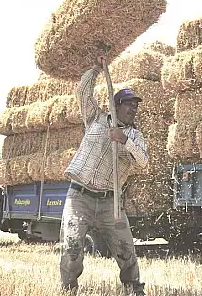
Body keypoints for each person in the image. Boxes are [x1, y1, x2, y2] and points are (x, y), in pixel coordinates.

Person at [59, 55, 149, 296]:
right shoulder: (96, 119)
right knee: (72, 247)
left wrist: (125, 141)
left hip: (111, 202)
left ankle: (133, 289)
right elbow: (82, 92)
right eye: (129, 104)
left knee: (126, 250)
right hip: (79, 197)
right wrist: (96, 69)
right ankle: (68, 289)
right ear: (116, 104)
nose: (133, 109)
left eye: (136, 106)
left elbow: (143, 163)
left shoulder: (136, 136)